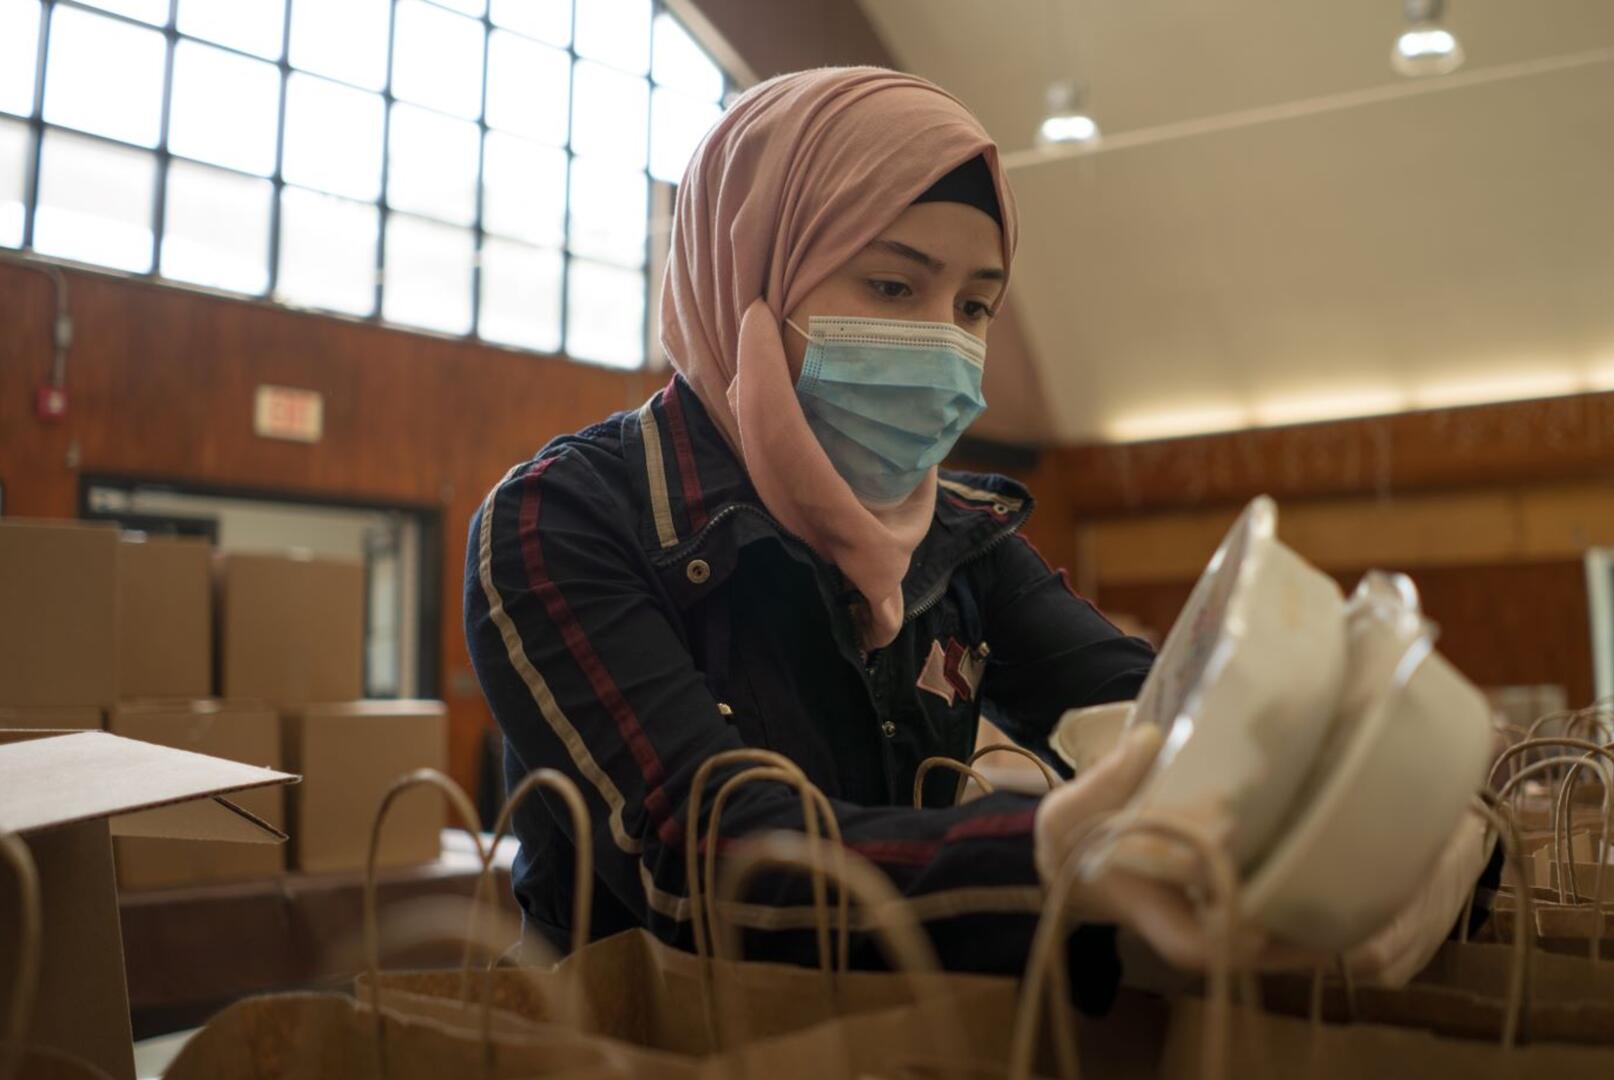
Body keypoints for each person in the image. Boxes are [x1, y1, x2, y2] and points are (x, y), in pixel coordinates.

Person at [464, 67, 1488, 998]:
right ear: (750, 273)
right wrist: (1046, 854)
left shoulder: (953, 537)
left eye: (975, 306)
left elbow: (1156, 700)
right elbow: (706, 864)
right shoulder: (564, 524)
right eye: (893, 286)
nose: (945, 345)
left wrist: (1374, 805)